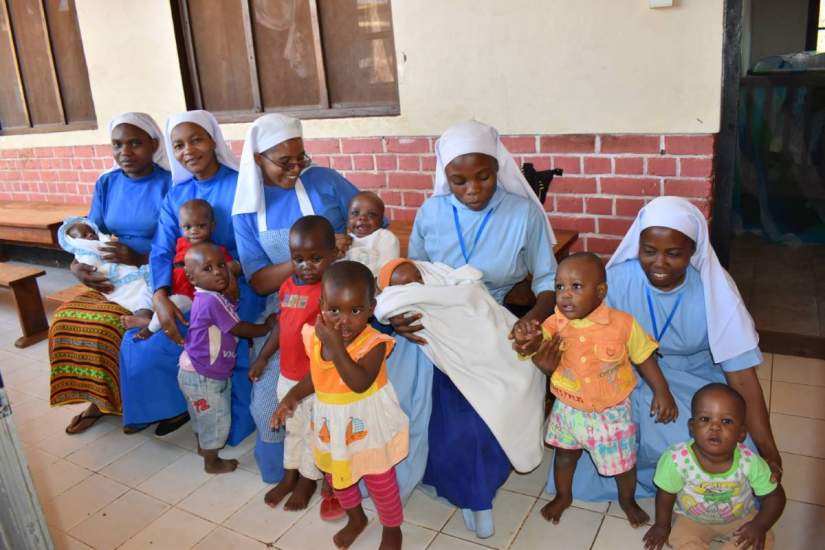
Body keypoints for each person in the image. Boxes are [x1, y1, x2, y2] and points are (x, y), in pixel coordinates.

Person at [391, 120, 558, 538]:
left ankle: (477, 494)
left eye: (483, 176)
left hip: (497, 322)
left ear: (498, 168)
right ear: (445, 176)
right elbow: (413, 276)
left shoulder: (523, 214)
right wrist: (399, 314)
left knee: (484, 411)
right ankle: (434, 481)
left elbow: (547, 283)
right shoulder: (431, 211)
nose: (472, 188)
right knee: (417, 402)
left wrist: (531, 320)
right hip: (435, 320)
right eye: (458, 180)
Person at [556, 196, 782, 501]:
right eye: (649, 251)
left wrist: (769, 449)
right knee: (604, 436)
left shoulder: (713, 289)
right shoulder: (618, 281)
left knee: (719, 445)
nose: (659, 263)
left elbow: (742, 379)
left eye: (673, 254)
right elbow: (576, 332)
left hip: (694, 375)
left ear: (693, 251)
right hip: (624, 373)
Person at [231, 113, 359, 514]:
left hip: (340, 308)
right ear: (257, 159)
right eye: (283, 161)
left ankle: (329, 476)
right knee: (270, 404)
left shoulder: (325, 181)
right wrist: (307, 260)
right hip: (286, 310)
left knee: (336, 400)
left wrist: (350, 238)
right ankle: (288, 472)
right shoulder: (247, 210)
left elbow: (371, 220)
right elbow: (260, 282)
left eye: (299, 157)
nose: (294, 168)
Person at [119, 110, 262, 440]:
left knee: (221, 342)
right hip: (186, 287)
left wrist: (227, 274)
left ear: (213, 141)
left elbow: (253, 248)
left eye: (196, 139)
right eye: (179, 145)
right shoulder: (176, 195)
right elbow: (161, 250)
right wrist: (160, 295)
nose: (189, 151)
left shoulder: (240, 185)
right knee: (143, 342)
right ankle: (169, 407)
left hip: (235, 286)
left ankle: (231, 418)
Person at [514, 253, 677, 526]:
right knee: (565, 456)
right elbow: (533, 345)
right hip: (567, 408)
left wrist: (662, 391)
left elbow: (644, 357)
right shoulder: (555, 323)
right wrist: (525, 341)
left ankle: (627, 499)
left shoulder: (623, 324)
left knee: (623, 465)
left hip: (610, 412)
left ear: (601, 291)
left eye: (576, 287)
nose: (565, 295)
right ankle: (563, 495)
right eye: (559, 287)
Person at [49, 112, 171, 434]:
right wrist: (77, 267)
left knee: (110, 327)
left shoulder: (169, 184)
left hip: (154, 270)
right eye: (117, 145)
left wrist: (139, 256)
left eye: (135, 143)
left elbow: (180, 241)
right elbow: (88, 233)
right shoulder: (107, 182)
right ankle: (100, 400)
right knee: (66, 319)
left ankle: (131, 403)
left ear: (154, 145)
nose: (125, 153)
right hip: (111, 273)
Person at [273, 261, 408, 550]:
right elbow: (317, 377)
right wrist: (292, 397)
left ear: (371, 308)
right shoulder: (316, 338)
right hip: (331, 428)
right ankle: (356, 518)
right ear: (322, 305)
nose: (343, 321)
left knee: (380, 481)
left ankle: (392, 527)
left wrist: (334, 345)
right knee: (339, 480)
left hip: (367, 427)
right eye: (334, 310)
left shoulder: (374, 343)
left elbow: (358, 382)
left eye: (355, 311)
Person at [374, 258, 545, 478]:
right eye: (408, 286)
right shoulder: (402, 288)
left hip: (485, 316)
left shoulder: (444, 279)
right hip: (436, 343)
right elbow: (386, 304)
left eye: (418, 278)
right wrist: (396, 311)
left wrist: (527, 323)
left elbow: (469, 295)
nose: (417, 285)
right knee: (470, 416)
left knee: (519, 375)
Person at [249, 216, 337, 509]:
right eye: (298, 259)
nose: (306, 266)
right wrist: (263, 357)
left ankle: (308, 480)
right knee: (292, 428)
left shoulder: (331, 292)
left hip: (314, 381)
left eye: (316, 258)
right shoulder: (287, 286)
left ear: (333, 254)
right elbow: (282, 327)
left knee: (312, 431)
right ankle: (289, 476)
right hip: (287, 375)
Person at [643, 383, 785, 550]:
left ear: (741, 434)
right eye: (705, 419)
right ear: (692, 427)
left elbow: (775, 497)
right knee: (681, 538)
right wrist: (662, 526)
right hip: (691, 519)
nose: (715, 427)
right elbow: (665, 494)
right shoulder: (676, 460)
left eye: (726, 421)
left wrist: (759, 526)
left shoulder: (750, 462)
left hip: (741, 517)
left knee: (764, 539)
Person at [177, 243, 274, 473]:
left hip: (192, 369)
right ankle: (212, 462)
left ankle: (204, 447)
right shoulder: (212, 301)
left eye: (220, 265)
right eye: (207, 269)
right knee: (217, 419)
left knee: (202, 413)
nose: (218, 271)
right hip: (205, 374)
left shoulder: (209, 297)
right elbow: (238, 328)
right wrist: (265, 329)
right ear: (191, 278)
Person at [126, 199, 235, 340]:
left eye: (201, 226)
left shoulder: (216, 250)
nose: (194, 231)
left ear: (212, 226)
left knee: (175, 303)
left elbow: (229, 266)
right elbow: (163, 257)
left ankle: (150, 328)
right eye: (187, 227)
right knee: (149, 291)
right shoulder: (179, 243)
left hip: (189, 295)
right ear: (180, 227)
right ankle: (145, 314)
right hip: (171, 285)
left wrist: (232, 270)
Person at [344, 191, 400, 276]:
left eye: (371, 215)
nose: (362, 218)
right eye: (355, 213)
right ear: (347, 219)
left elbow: (388, 268)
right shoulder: (344, 241)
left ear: (381, 221)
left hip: (376, 284)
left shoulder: (385, 238)